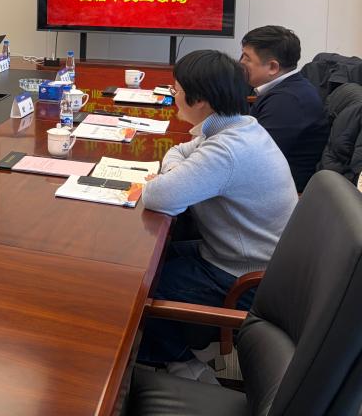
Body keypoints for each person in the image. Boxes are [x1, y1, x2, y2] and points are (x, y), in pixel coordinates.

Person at [139, 50, 298, 377]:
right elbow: (179, 150)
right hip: (248, 258)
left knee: (136, 285)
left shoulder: (227, 150)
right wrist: (177, 172)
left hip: (246, 278)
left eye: (176, 90)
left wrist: (172, 177)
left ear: (200, 101)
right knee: (148, 258)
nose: (173, 96)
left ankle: (183, 364)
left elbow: (158, 196)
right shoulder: (240, 126)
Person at [240, 25, 330, 192]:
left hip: (278, 192)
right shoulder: (287, 89)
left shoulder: (287, 102)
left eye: (247, 59)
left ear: (273, 67)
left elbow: (255, 158)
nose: (241, 64)